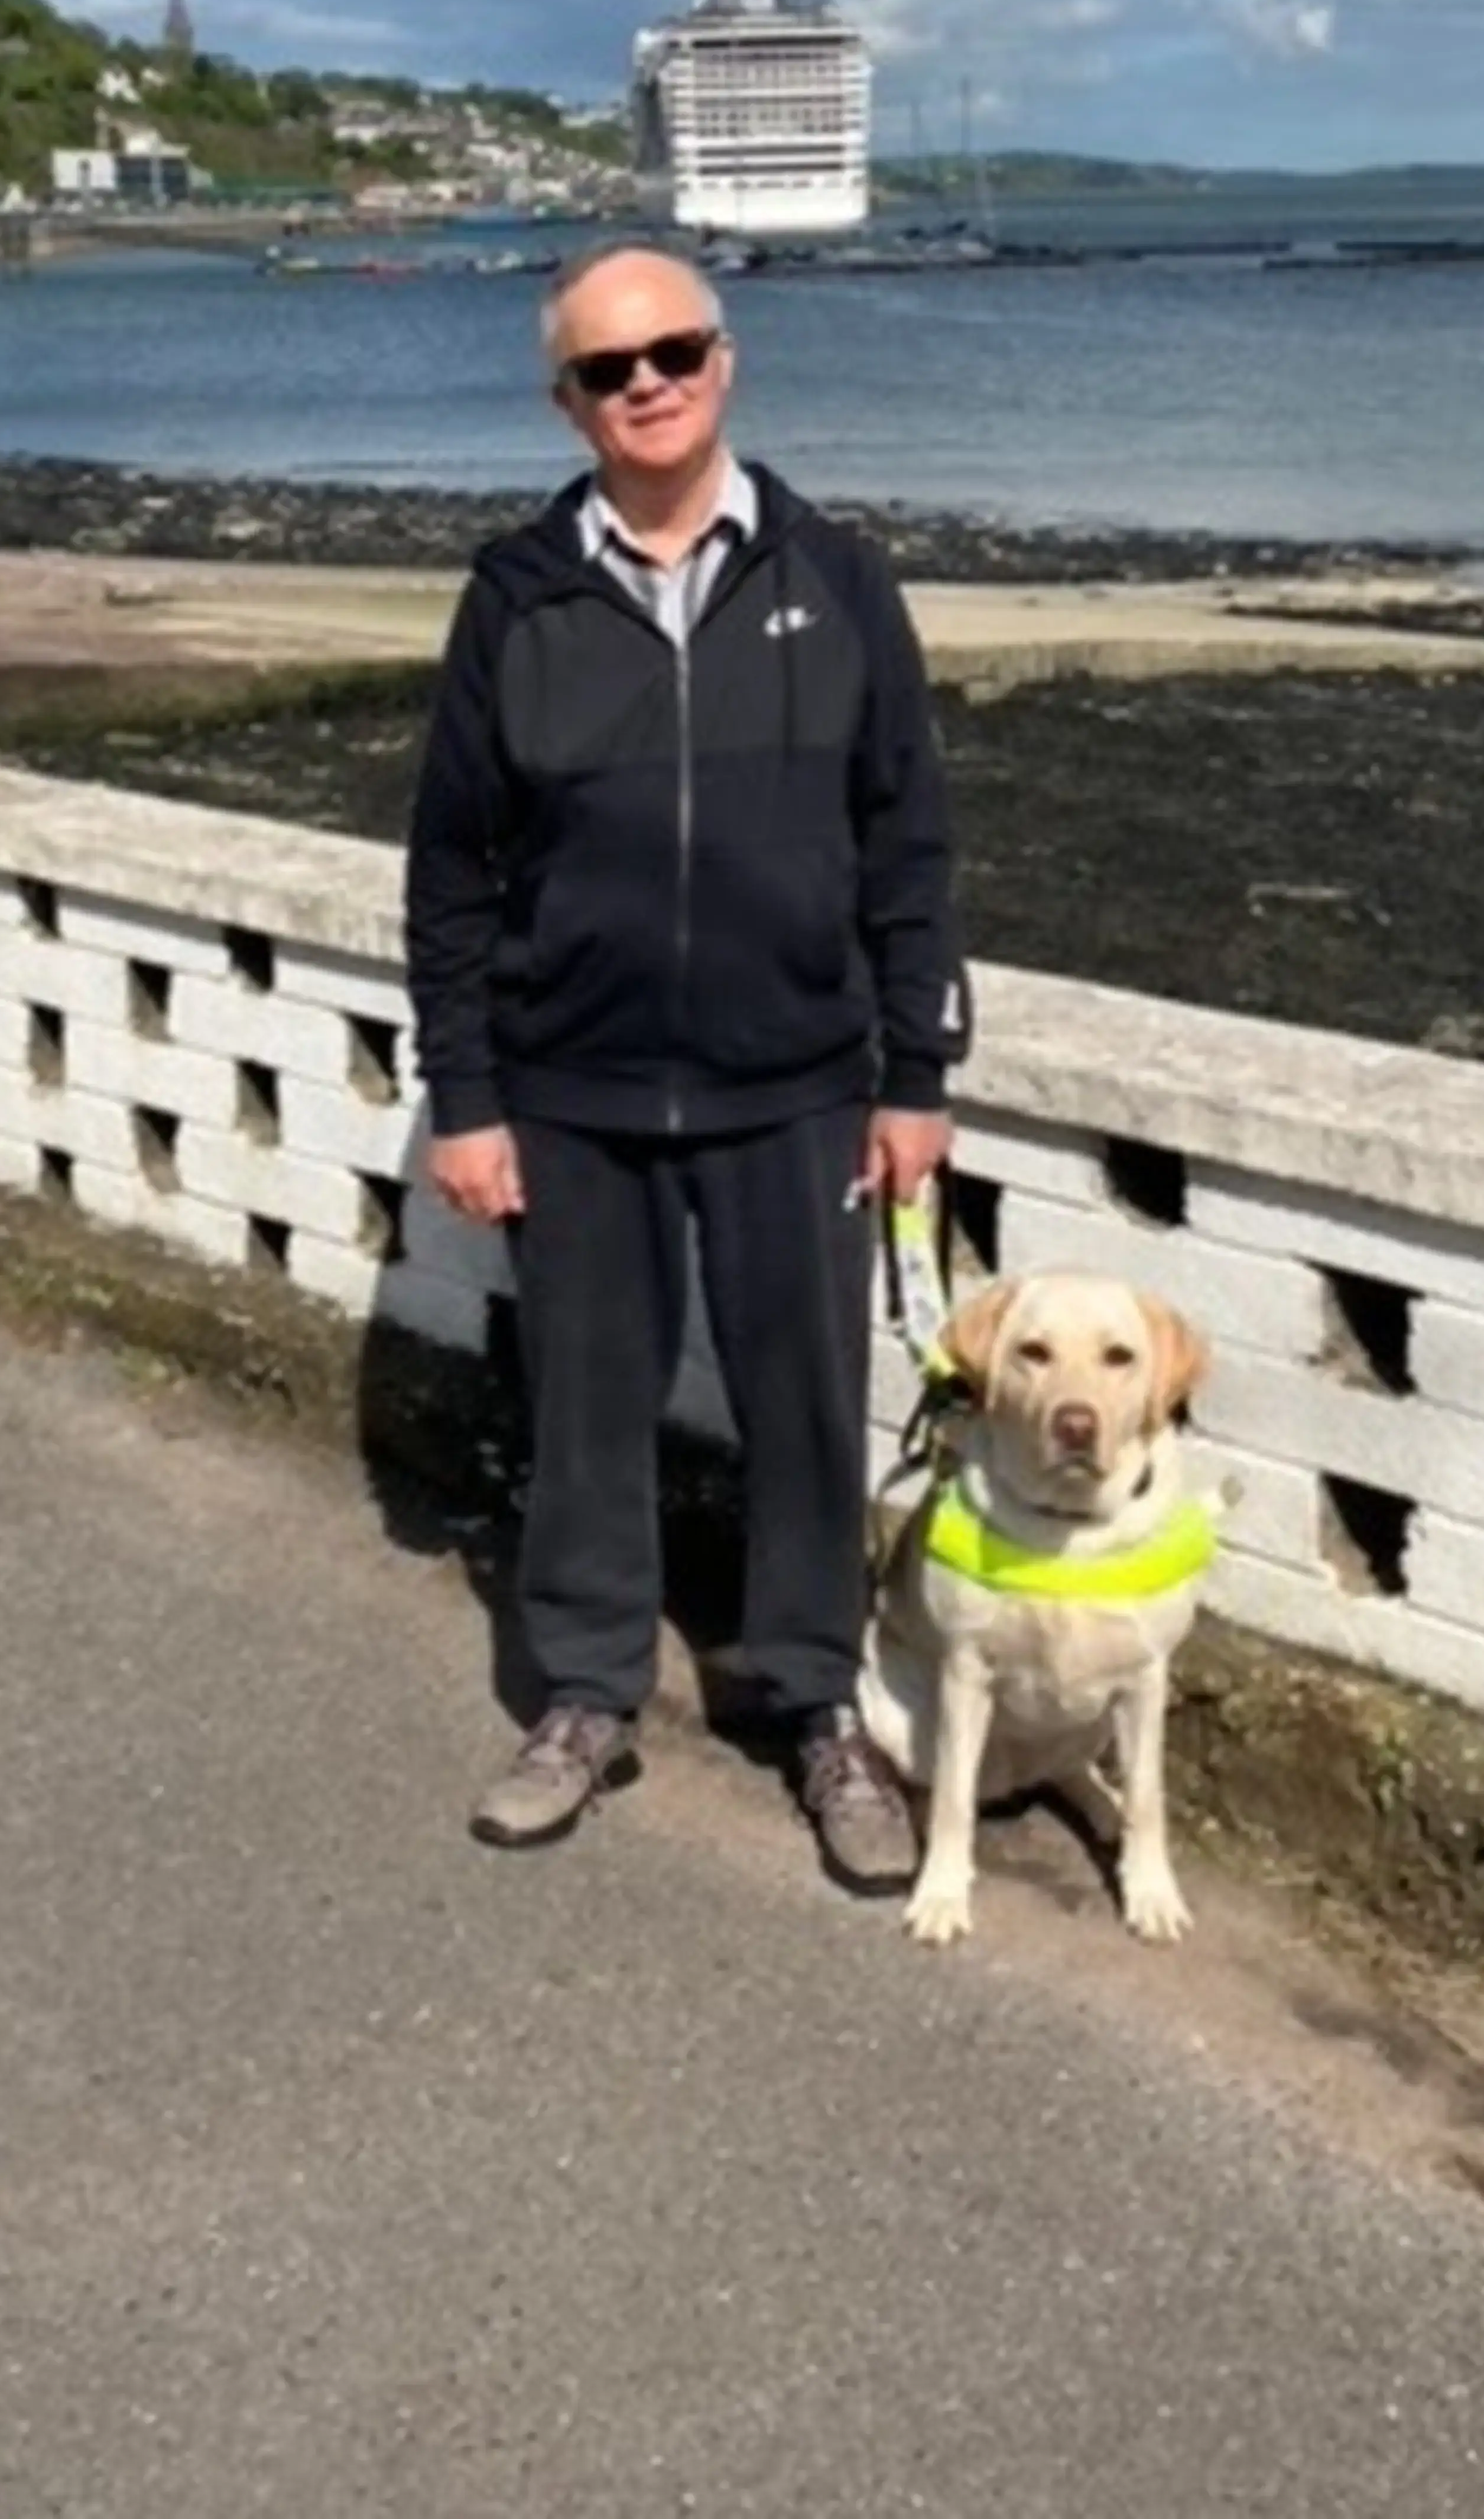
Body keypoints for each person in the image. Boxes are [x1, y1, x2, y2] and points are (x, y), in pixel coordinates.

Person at [404, 242, 968, 1895]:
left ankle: (813, 1710)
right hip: (570, 1091)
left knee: (806, 1414)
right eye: (607, 367)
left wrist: (915, 1070)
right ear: (564, 400)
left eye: (674, 351)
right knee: (585, 1413)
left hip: (797, 1083)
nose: (645, 382)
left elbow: (908, 842)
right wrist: (471, 1094)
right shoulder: (517, 596)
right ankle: (584, 1696)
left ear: (726, 362)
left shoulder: (838, 576)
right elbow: (451, 869)